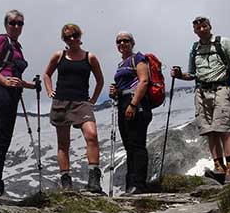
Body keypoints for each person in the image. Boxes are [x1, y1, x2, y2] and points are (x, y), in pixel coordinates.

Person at [171, 16, 230, 183]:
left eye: (204, 26)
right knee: (210, 131)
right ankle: (219, 168)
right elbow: (192, 74)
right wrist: (180, 75)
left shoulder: (223, 42)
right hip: (201, 92)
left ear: (210, 26)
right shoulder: (194, 48)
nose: (202, 29)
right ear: (194, 31)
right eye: (198, 28)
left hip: (221, 89)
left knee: (224, 128)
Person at [0, 10, 38, 204]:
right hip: (1, 92)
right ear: (6, 24)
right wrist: (4, 82)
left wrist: (30, 85)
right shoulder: (2, 41)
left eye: (20, 23)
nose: (16, 26)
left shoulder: (16, 46)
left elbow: (14, 77)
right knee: (1, 141)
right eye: (13, 22)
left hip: (8, 93)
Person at [43, 23, 105, 192]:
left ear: (80, 36)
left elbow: (100, 80)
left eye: (75, 35)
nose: (72, 39)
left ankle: (94, 178)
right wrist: (50, 91)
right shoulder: (59, 55)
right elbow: (47, 74)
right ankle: (66, 181)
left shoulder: (89, 57)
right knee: (63, 143)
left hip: (82, 102)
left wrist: (93, 99)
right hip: (61, 102)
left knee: (91, 135)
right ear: (64, 40)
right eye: (68, 37)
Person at [108, 31, 152, 195]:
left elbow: (144, 80)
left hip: (136, 102)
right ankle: (131, 185)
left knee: (136, 143)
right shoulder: (121, 64)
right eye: (119, 41)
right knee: (129, 145)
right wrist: (116, 91)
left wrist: (133, 104)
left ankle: (138, 185)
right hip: (124, 102)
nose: (122, 43)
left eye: (126, 40)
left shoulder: (138, 59)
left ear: (132, 42)